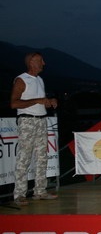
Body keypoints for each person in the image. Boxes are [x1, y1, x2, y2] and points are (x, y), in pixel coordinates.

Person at [10, 52, 58, 206]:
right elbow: (14, 103)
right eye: (40, 60)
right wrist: (38, 100)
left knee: (42, 157)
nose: (43, 63)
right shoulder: (21, 80)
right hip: (27, 121)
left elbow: (39, 102)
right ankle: (19, 194)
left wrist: (49, 101)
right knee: (24, 157)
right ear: (31, 62)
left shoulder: (39, 80)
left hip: (41, 121)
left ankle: (40, 191)